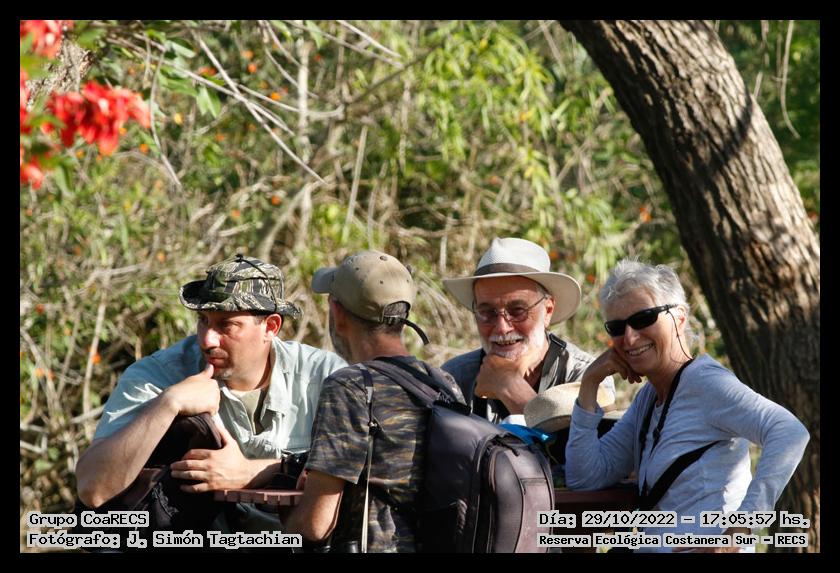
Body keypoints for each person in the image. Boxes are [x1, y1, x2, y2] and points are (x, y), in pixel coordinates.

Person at [75, 254, 347, 526]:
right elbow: (92, 490)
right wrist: (169, 403)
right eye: (203, 320)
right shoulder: (158, 376)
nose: (207, 340)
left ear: (270, 327)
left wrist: (256, 471)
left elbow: (364, 469)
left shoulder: (326, 377)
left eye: (226, 324)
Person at [565, 258, 810, 553]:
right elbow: (586, 478)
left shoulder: (706, 382)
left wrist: (744, 525)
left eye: (643, 319)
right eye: (617, 327)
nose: (629, 337)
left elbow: (789, 432)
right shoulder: (648, 399)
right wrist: (590, 383)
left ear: (679, 318)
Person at [284, 250, 465, 552]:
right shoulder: (443, 383)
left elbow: (316, 525)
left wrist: (281, 525)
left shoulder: (349, 387)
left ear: (338, 313)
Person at [441, 237, 615, 426]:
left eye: (517, 311)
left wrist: (509, 387)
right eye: (487, 312)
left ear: (548, 310)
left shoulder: (587, 376)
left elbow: (579, 443)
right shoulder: (454, 378)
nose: (502, 327)